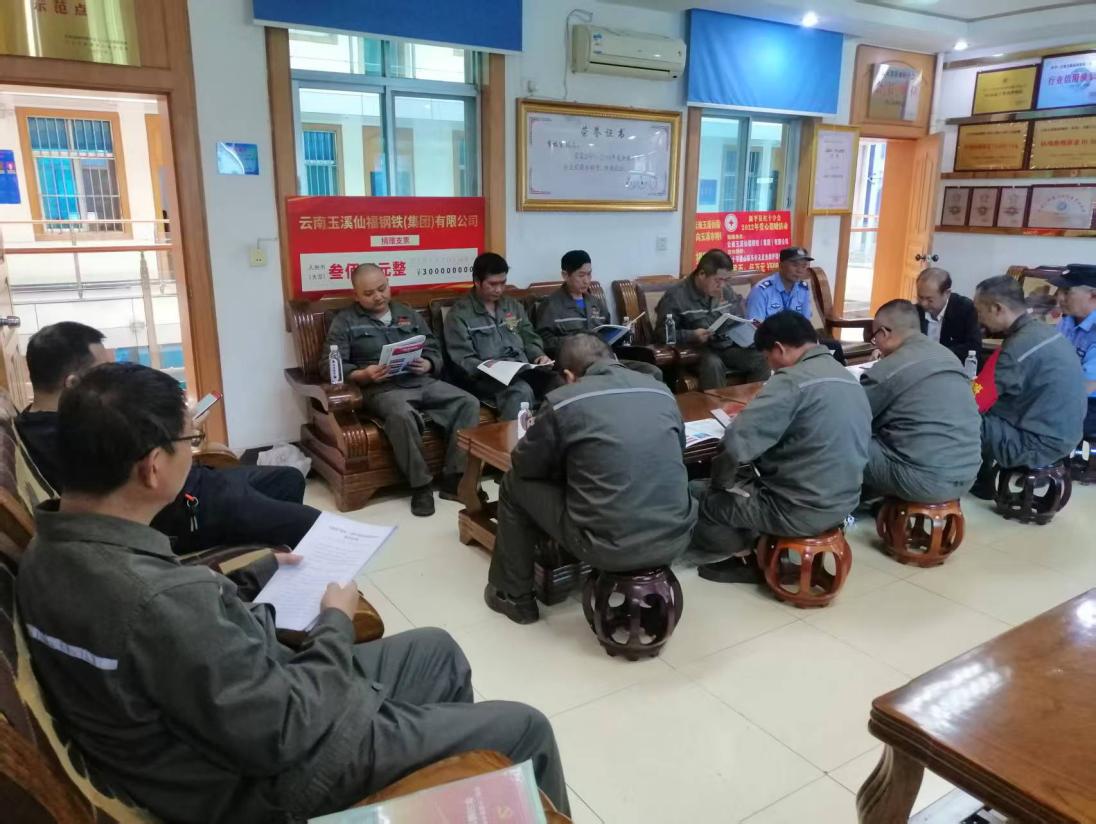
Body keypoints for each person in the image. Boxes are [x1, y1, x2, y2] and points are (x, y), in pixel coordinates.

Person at [16, 361, 569, 823]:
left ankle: (438, 786)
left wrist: (252, 574)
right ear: (153, 468)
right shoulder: (156, 601)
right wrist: (334, 622)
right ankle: (418, 764)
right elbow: (285, 729)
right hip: (277, 777)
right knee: (524, 728)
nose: (195, 451)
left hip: (229, 724)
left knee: (436, 651)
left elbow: (177, 633)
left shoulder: (51, 549)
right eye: (191, 440)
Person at [15, 321, 320, 553]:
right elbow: (134, 478)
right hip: (184, 507)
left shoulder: (52, 419)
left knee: (288, 479)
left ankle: (271, 553)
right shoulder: (67, 432)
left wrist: (175, 429)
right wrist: (179, 437)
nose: (112, 377)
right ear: (72, 383)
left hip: (192, 486)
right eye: (104, 370)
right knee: (315, 527)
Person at [484, 334, 697, 624]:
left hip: (607, 546)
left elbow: (525, 466)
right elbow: (679, 449)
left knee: (513, 483)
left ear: (569, 376)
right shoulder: (660, 390)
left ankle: (514, 597)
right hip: (678, 536)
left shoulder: (565, 400)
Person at [689, 311, 870, 583]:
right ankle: (762, 538)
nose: (769, 366)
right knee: (750, 482)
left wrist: (720, 484)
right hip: (845, 502)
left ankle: (750, 555)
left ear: (779, 349)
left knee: (696, 493)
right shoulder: (846, 376)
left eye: (766, 358)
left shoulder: (790, 381)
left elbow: (735, 444)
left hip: (797, 508)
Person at [325, 264, 481, 517]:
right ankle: (420, 485)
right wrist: (361, 374)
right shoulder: (345, 321)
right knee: (401, 415)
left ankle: (454, 477)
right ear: (356, 295)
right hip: (381, 389)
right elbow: (329, 364)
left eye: (382, 288)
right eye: (369, 293)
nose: (378, 296)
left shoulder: (406, 313)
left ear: (389, 283)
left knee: (467, 402)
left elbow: (432, 347)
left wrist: (428, 363)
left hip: (419, 381)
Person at [970, 275, 1086, 498]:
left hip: (1039, 442)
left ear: (997, 308)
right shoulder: (1045, 331)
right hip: (1066, 434)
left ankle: (974, 482)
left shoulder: (1018, 347)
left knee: (961, 418)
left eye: (980, 311)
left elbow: (978, 401)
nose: (979, 319)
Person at [860, 300, 981, 504]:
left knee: (839, 438)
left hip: (923, 479)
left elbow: (853, 415)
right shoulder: (948, 356)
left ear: (885, 333)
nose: (876, 344)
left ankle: (833, 508)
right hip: (968, 473)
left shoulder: (890, 368)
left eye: (875, 338)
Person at [443, 252, 553, 419]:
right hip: (484, 379)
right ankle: (512, 436)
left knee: (559, 382)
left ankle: (551, 435)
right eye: (493, 284)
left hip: (521, 368)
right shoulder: (459, 315)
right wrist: (491, 369)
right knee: (520, 391)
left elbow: (529, 336)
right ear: (477, 281)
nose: (499, 289)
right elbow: (463, 359)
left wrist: (538, 356)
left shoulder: (511, 305)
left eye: (503, 283)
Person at [534, 249, 663, 379]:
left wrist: (621, 334)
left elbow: (607, 333)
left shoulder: (596, 303)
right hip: (576, 366)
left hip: (605, 361)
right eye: (581, 275)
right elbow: (544, 342)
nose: (586, 280)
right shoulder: (551, 305)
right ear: (565, 275)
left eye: (589, 274)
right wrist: (578, 342)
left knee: (652, 371)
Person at [655, 249, 770, 389]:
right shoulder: (676, 297)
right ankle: (717, 403)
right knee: (713, 364)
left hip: (727, 346)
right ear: (702, 274)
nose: (722, 285)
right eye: (718, 280)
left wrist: (751, 329)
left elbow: (739, 318)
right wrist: (691, 335)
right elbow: (661, 334)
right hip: (696, 349)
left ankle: (756, 400)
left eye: (726, 280)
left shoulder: (726, 290)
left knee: (763, 358)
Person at [744, 246, 847, 364]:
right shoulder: (762, 290)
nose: (800, 270)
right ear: (781, 266)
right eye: (795, 265)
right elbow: (755, 327)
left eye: (804, 266)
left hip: (796, 342)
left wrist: (812, 341)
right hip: (773, 343)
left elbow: (805, 322)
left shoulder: (803, 288)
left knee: (834, 347)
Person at [1049, 263, 1096, 438]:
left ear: (1093, 295)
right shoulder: (1068, 320)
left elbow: (1086, 386)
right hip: (1064, 394)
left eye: (1067, 291)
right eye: (1059, 290)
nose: (1059, 297)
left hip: (1088, 403)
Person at [915, 268, 982, 365]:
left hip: (953, 366)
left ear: (947, 293)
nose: (923, 304)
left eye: (930, 299)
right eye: (920, 297)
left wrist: (937, 355)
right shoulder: (914, 311)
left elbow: (973, 346)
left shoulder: (964, 308)